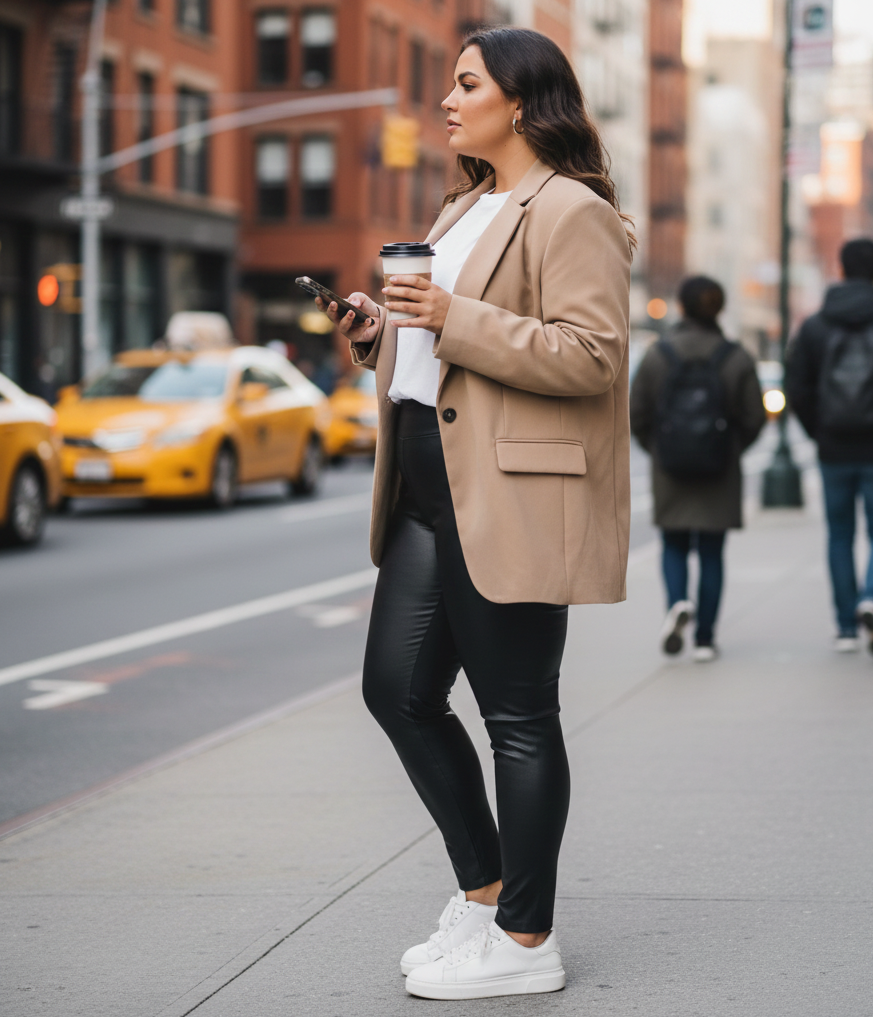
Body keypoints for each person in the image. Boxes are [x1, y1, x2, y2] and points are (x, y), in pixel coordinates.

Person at [318, 26, 632, 1000]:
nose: (446, 102)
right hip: (421, 484)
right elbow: (435, 356)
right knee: (396, 692)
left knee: (517, 718)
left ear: (523, 100)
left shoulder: (568, 210)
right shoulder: (459, 208)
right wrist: (378, 336)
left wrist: (451, 316)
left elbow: (591, 356)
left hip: (509, 491)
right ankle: (487, 894)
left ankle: (529, 942)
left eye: (466, 84)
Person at [629, 277, 765, 661]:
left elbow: (636, 414)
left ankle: (677, 604)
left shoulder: (659, 355)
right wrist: (731, 448)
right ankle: (705, 639)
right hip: (719, 468)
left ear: (682, 308)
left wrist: (658, 449)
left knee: (672, 544)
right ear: (719, 309)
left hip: (670, 466)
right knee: (711, 551)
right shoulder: (736, 356)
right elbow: (754, 416)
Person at [785, 238, 873, 657]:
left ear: (842, 270)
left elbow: (797, 387)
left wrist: (819, 431)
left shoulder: (815, 326)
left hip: (833, 448)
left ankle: (846, 626)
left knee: (840, 534)